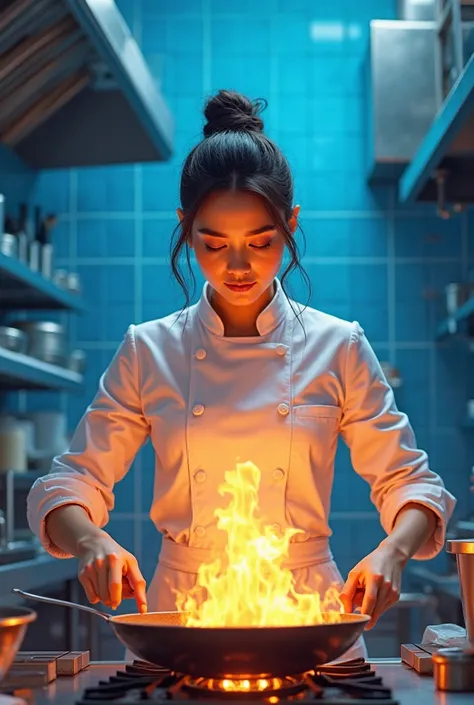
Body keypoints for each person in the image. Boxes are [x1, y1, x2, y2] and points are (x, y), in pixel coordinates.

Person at [27, 90, 456, 660]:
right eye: (212, 243)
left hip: (307, 621)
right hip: (182, 621)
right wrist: (89, 539)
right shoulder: (149, 349)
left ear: (291, 225)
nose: (237, 266)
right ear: (185, 227)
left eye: (261, 242)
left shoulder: (338, 345)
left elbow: (412, 484)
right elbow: (69, 484)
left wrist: (393, 551)